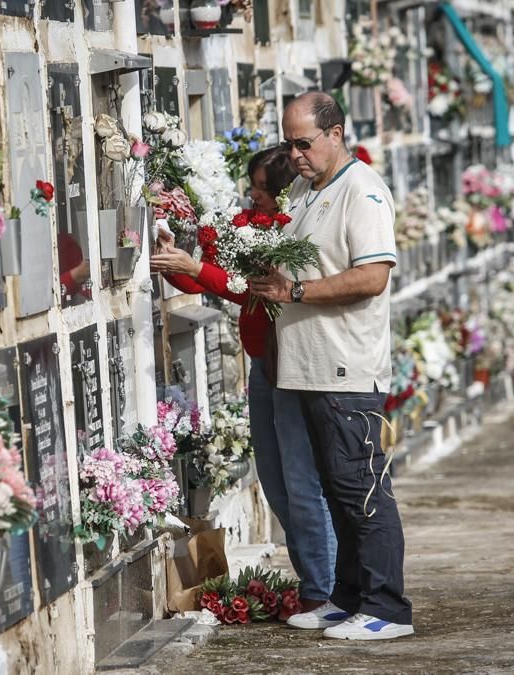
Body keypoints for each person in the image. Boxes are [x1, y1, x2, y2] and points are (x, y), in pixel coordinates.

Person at [249, 92, 414, 640]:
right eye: (288, 144)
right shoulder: (304, 189)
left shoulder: (361, 191)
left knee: (362, 489)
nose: (294, 155)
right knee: (334, 490)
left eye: (304, 143)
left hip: (346, 367)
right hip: (307, 367)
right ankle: (346, 599)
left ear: (336, 134)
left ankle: (387, 609)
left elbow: (373, 276)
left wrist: (296, 290)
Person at [150, 146, 336, 613]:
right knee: (275, 482)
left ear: (283, 193)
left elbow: (249, 290)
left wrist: (196, 268)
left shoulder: (289, 232)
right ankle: (316, 582)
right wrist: (176, 262)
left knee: (303, 484)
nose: (252, 196)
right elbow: (211, 282)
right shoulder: (248, 228)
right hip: (264, 368)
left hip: (293, 366)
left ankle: (326, 589)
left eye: (260, 190)